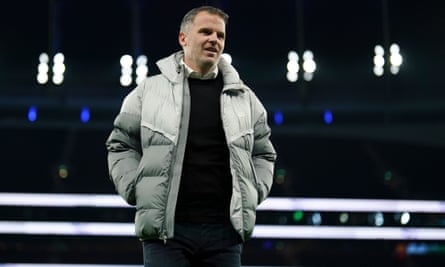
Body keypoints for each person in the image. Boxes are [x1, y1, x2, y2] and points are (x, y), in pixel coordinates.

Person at [105, 5, 276, 267]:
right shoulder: (148, 91)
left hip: (225, 234)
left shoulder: (245, 98)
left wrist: (253, 190)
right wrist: (134, 188)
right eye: (205, 32)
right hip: (167, 233)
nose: (214, 40)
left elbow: (264, 152)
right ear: (183, 38)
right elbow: (120, 144)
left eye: (220, 35)